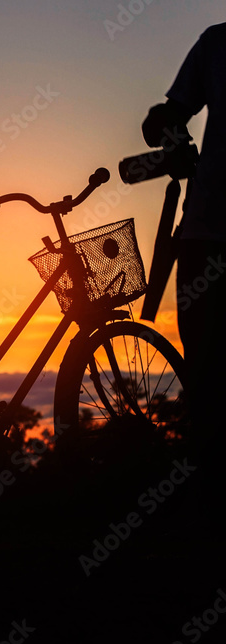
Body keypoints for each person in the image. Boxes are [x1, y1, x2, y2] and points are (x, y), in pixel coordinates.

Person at [142, 23, 226, 512]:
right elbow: (166, 118)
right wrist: (170, 134)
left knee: (211, 375)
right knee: (209, 375)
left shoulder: (217, 43)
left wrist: (168, 129)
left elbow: (164, 117)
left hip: (205, 234)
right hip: (204, 234)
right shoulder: (216, 44)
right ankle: (211, 503)